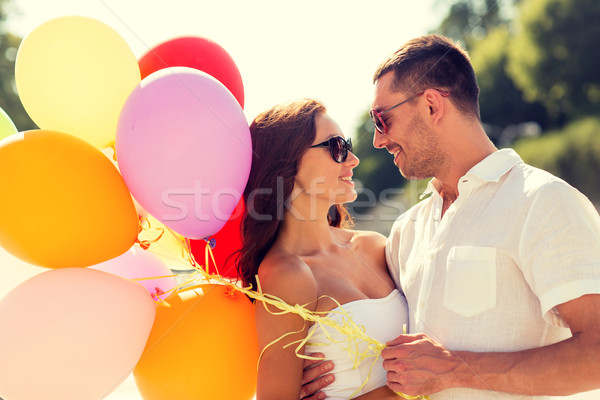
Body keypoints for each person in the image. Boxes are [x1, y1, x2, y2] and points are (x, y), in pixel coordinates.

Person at [301, 34, 600, 399]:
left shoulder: (544, 202)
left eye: (382, 120)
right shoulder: (404, 232)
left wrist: (455, 369)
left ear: (431, 106)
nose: (378, 141)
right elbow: (407, 370)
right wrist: (336, 377)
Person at [237, 99, 410, 400]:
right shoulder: (286, 276)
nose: (352, 159)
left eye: (347, 145)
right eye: (336, 147)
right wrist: (405, 389)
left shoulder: (374, 245)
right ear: (287, 163)